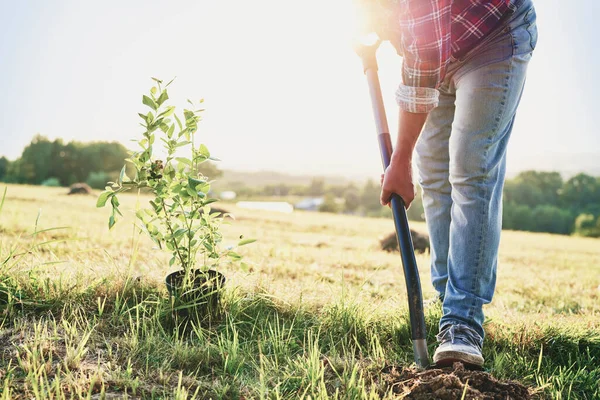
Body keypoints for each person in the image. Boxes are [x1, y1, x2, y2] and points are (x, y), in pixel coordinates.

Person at [365, 0, 538, 367]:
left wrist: (400, 159)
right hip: (441, 46)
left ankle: (463, 323)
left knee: (470, 168)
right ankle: (449, 305)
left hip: (493, 34)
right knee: (434, 174)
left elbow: (422, 60)